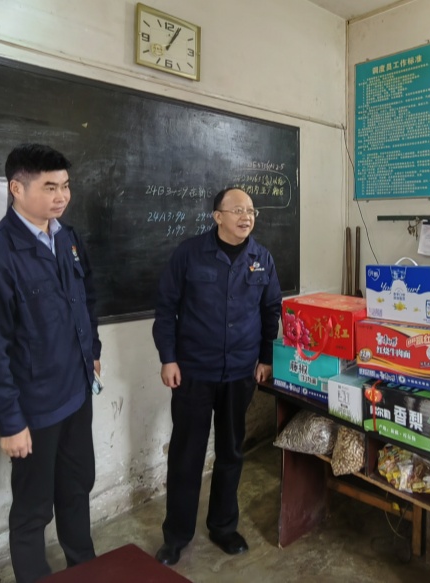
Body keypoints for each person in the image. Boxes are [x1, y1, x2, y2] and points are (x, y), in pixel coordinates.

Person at [0, 144, 102, 583]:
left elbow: (86, 299)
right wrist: (10, 421)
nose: (61, 196)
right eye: (49, 187)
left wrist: (92, 352)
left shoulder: (67, 237)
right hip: (35, 408)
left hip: (77, 393)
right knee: (33, 509)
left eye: (65, 186)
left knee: (76, 489)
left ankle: (83, 568)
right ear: (16, 188)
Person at [152, 187, 282, 566]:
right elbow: (166, 308)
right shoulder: (189, 254)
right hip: (193, 371)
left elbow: (271, 310)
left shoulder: (261, 259)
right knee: (186, 456)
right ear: (217, 216)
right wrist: (168, 359)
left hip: (240, 372)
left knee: (231, 452)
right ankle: (176, 536)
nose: (246, 217)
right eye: (237, 210)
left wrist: (266, 358)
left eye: (251, 211)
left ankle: (223, 527)